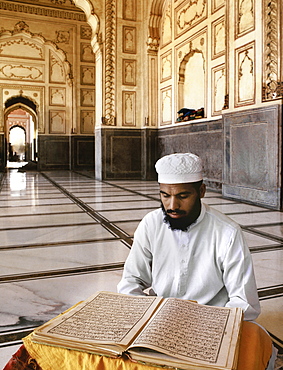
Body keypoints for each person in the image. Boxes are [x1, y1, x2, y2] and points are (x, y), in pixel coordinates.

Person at [118, 152, 277, 369]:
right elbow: (131, 282)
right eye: (165, 195)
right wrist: (147, 317)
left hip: (213, 325)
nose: (172, 205)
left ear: (201, 191)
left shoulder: (227, 232)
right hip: (161, 321)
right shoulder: (151, 224)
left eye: (183, 196)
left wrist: (203, 326)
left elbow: (244, 302)